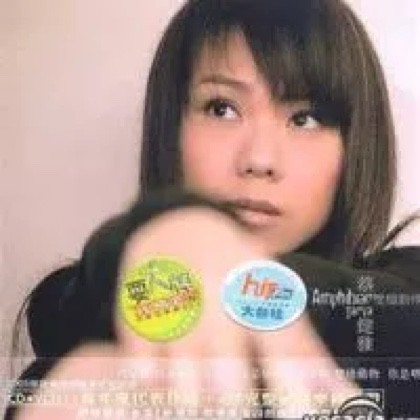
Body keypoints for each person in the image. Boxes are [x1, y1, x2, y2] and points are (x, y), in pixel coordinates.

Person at [6, 0, 420, 418]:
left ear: (355, 145)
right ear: (171, 126)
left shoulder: (400, 293)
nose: (259, 159)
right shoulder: (78, 347)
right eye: (221, 108)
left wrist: (215, 278)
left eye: (304, 118)